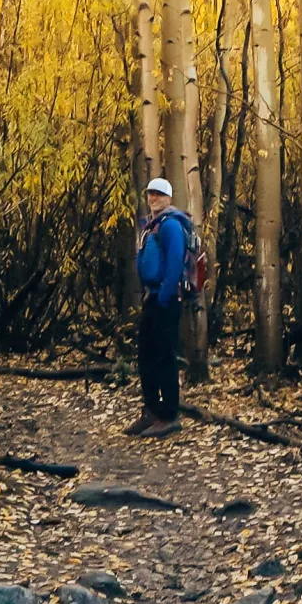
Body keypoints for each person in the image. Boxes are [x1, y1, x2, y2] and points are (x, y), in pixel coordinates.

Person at [130, 177, 190, 436]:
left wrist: (164, 297)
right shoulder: (152, 225)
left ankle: (169, 415)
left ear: (168, 198)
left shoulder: (171, 226)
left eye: (158, 194)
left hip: (166, 299)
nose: (153, 198)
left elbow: (175, 262)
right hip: (153, 297)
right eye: (150, 194)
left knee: (164, 357)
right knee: (146, 357)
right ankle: (152, 411)